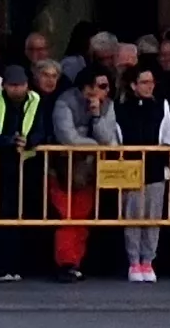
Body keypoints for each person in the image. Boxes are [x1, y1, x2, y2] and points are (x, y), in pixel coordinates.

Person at [0, 59, 55, 281]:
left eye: (21, 85)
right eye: (13, 85)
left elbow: (41, 130)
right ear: (5, 86)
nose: (17, 90)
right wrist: (9, 142)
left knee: (24, 215)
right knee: (1, 215)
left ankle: (19, 265)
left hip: (27, 166)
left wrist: (29, 142)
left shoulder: (36, 100)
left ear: (27, 84)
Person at [44, 66, 121, 281]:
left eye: (107, 87)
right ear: (88, 87)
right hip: (64, 167)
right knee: (67, 216)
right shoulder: (65, 102)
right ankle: (65, 263)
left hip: (89, 169)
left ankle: (76, 262)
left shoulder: (107, 105)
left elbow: (109, 138)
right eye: (102, 86)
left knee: (82, 217)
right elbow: (67, 137)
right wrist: (96, 145)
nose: (106, 91)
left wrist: (96, 116)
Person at [116, 63, 170, 281]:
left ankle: (148, 261)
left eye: (151, 82)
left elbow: (169, 136)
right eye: (144, 82)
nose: (149, 86)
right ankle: (133, 261)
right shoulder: (120, 108)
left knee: (153, 217)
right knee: (132, 217)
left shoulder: (161, 105)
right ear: (133, 85)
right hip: (129, 169)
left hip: (155, 169)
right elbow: (116, 138)